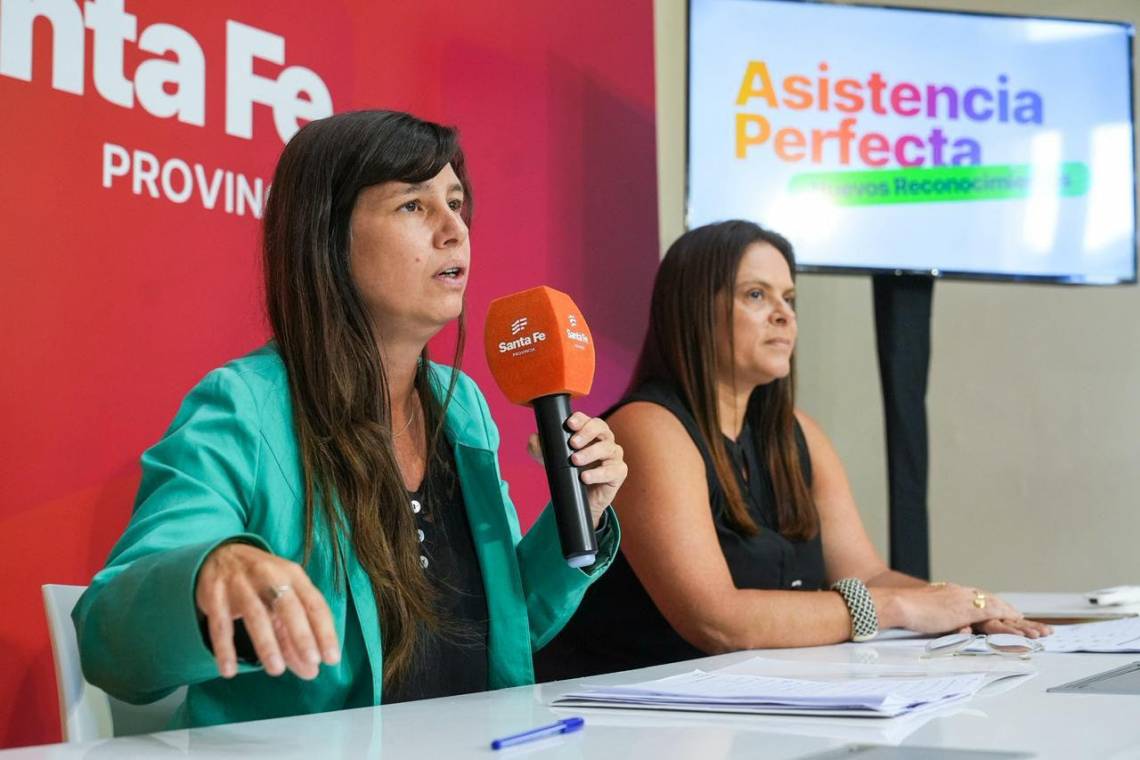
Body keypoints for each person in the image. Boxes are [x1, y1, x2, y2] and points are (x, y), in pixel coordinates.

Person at [72, 110, 626, 727]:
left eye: (456, 203)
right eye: (413, 206)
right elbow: (106, 637)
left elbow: (503, 631)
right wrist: (210, 571)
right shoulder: (244, 405)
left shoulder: (462, 406)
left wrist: (581, 513)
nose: (454, 230)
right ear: (328, 238)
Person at [536, 220, 1048, 679]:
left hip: (754, 702)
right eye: (756, 295)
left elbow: (867, 574)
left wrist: (965, 607)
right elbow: (717, 621)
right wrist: (898, 608)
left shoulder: (798, 432)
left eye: (789, 298)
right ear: (693, 311)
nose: (783, 314)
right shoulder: (648, 428)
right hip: (633, 717)